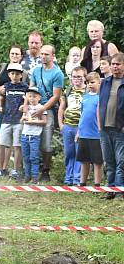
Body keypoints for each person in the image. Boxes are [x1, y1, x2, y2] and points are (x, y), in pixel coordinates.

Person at [0, 45, 27, 176]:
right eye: (12, 53)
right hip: (0, 102)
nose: (14, 56)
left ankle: (7, 167)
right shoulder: (3, 67)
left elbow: (27, 92)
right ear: (9, 54)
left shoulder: (23, 72)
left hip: (15, 108)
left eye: (17, 54)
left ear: (21, 56)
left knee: (12, 138)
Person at [31, 44, 63, 182]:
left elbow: (56, 96)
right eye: (42, 54)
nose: (43, 56)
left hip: (48, 109)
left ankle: (45, 170)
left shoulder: (57, 73)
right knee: (30, 138)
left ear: (53, 56)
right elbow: (31, 89)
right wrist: (28, 106)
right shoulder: (36, 71)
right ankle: (31, 169)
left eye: (46, 54)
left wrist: (43, 109)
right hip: (34, 107)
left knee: (46, 141)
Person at [98, 53, 124, 199]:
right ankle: (111, 189)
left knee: (121, 161)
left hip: (120, 129)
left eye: (118, 64)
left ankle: (119, 191)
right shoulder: (105, 82)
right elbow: (100, 104)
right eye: (113, 64)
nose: (115, 67)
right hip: (105, 128)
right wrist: (99, 124)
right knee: (109, 161)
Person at [0, 63, 27, 179]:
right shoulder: (6, 86)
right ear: (9, 75)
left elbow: (27, 101)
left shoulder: (25, 87)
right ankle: (0, 169)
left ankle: (16, 170)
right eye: (12, 73)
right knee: (2, 144)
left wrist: (24, 107)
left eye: (17, 74)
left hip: (19, 120)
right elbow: (0, 99)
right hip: (6, 119)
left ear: (21, 75)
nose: (14, 76)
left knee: (17, 146)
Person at [58, 66, 86, 186]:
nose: (76, 79)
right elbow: (62, 107)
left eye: (79, 76)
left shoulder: (88, 91)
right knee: (69, 152)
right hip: (67, 126)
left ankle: (77, 178)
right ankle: (68, 177)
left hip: (81, 127)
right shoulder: (68, 90)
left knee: (79, 152)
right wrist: (60, 124)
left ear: (85, 77)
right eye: (74, 76)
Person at [77, 72, 104, 188]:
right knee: (84, 160)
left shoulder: (101, 97)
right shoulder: (85, 97)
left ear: (99, 82)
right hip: (84, 133)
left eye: (92, 82)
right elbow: (82, 115)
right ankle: (82, 183)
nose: (90, 85)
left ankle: (97, 184)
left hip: (96, 134)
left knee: (97, 161)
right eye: (87, 83)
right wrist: (78, 131)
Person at [20, 87, 48, 184]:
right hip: (24, 135)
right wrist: (23, 119)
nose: (32, 98)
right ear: (27, 97)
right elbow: (21, 120)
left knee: (34, 157)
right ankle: (27, 176)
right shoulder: (26, 107)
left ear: (39, 98)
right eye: (30, 96)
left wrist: (33, 122)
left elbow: (44, 121)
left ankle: (35, 177)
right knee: (26, 157)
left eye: (34, 96)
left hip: (34, 136)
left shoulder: (41, 108)